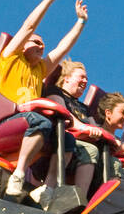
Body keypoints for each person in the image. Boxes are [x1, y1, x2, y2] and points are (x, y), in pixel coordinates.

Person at [0, 0, 88, 197]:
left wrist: (80, 22)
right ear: (22, 44)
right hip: (4, 121)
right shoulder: (11, 58)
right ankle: (18, 173)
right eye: (36, 42)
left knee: (67, 139)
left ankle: (48, 189)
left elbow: (62, 49)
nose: (41, 46)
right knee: (41, 121)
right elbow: (29, 26)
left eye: (43, 44)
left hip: (29, 123)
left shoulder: (39, 70)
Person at [31, 60, 98, 202]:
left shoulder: (84, 107)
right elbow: (63, 113)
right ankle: (76, 200)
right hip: (58, 138)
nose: (85, 81)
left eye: (86, 78)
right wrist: (83, 128)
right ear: (67, 78)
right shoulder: (54, 91)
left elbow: (94, 128)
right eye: (81, 77)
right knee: (91, 149)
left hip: (78, 144)